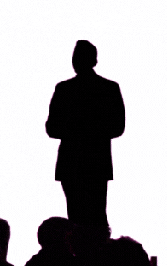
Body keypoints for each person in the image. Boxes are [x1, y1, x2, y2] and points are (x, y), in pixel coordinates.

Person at [46, 40, 125, 230]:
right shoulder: (109, 88)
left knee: (76, 216)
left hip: (72, 161)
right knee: (96, 215)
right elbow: (117, 127)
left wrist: (74, 129)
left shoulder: (64, 89)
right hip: (96, 162)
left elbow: (52, 128)